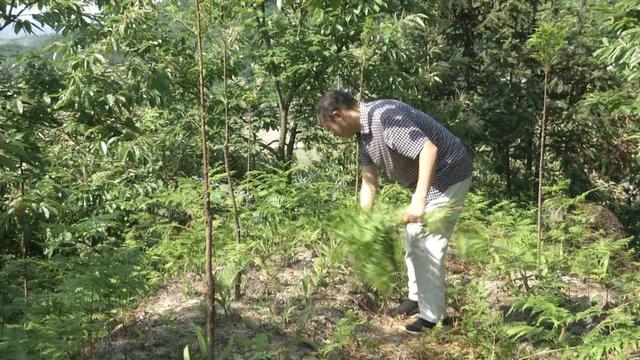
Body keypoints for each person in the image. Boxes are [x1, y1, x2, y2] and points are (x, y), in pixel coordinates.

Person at [316, 89, 473, 333]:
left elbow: (428, 150)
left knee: (425, 240)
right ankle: (416, 297)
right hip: (434, 179)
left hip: (449, 173)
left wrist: (419, 200)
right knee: (412, 236)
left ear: (338, 116)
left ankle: (434, 320)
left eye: (330, 129)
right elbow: (369, 181)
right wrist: (364, 221)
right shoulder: (363, 134)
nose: (333, 136)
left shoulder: (384, 118)